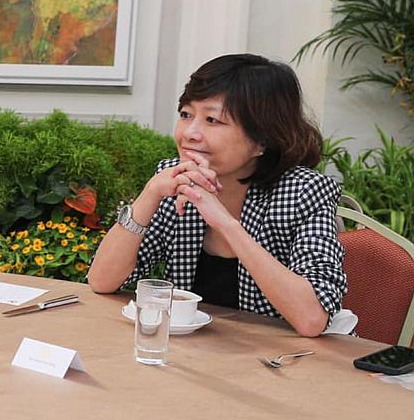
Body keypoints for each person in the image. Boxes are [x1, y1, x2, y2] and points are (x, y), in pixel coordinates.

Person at [86, 53, 347, 337]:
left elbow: (311, 319)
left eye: (212, 119)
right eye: (186, 115)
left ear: (262, 140)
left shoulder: (304, 192)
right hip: (193, 352)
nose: (190, 133)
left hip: (283, 356)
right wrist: (149, 195)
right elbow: (102, 281)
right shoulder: (174, 179)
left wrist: (225, 223)